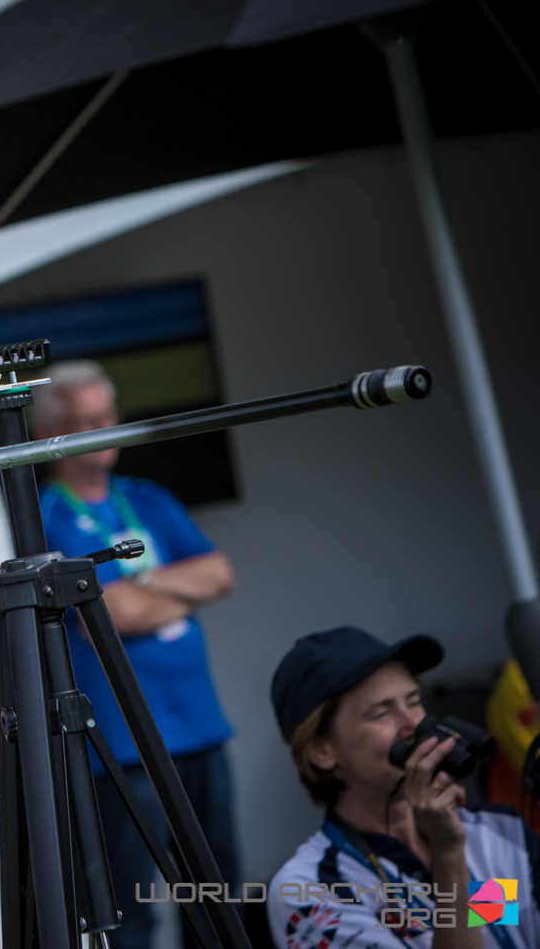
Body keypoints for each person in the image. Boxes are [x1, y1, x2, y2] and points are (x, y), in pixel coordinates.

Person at [32, 359, 238, 949]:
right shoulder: (45, 516)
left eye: (108, 415)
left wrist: (143, 588)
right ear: (52, 435)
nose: (105, 429)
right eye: (86, 420)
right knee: (135, 912)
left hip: (199, 727)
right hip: (122, 749)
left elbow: (221, 573)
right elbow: (110, 618)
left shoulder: (145, 496)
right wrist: (174, 588)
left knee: (217, 894)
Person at [270, 626, 539, 949]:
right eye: (381, 712)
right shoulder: (309, 889)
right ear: (322, 751)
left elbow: (497, 927)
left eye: (414, 701)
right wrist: (448, 852)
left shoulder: (499, 831)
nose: (414, 725)